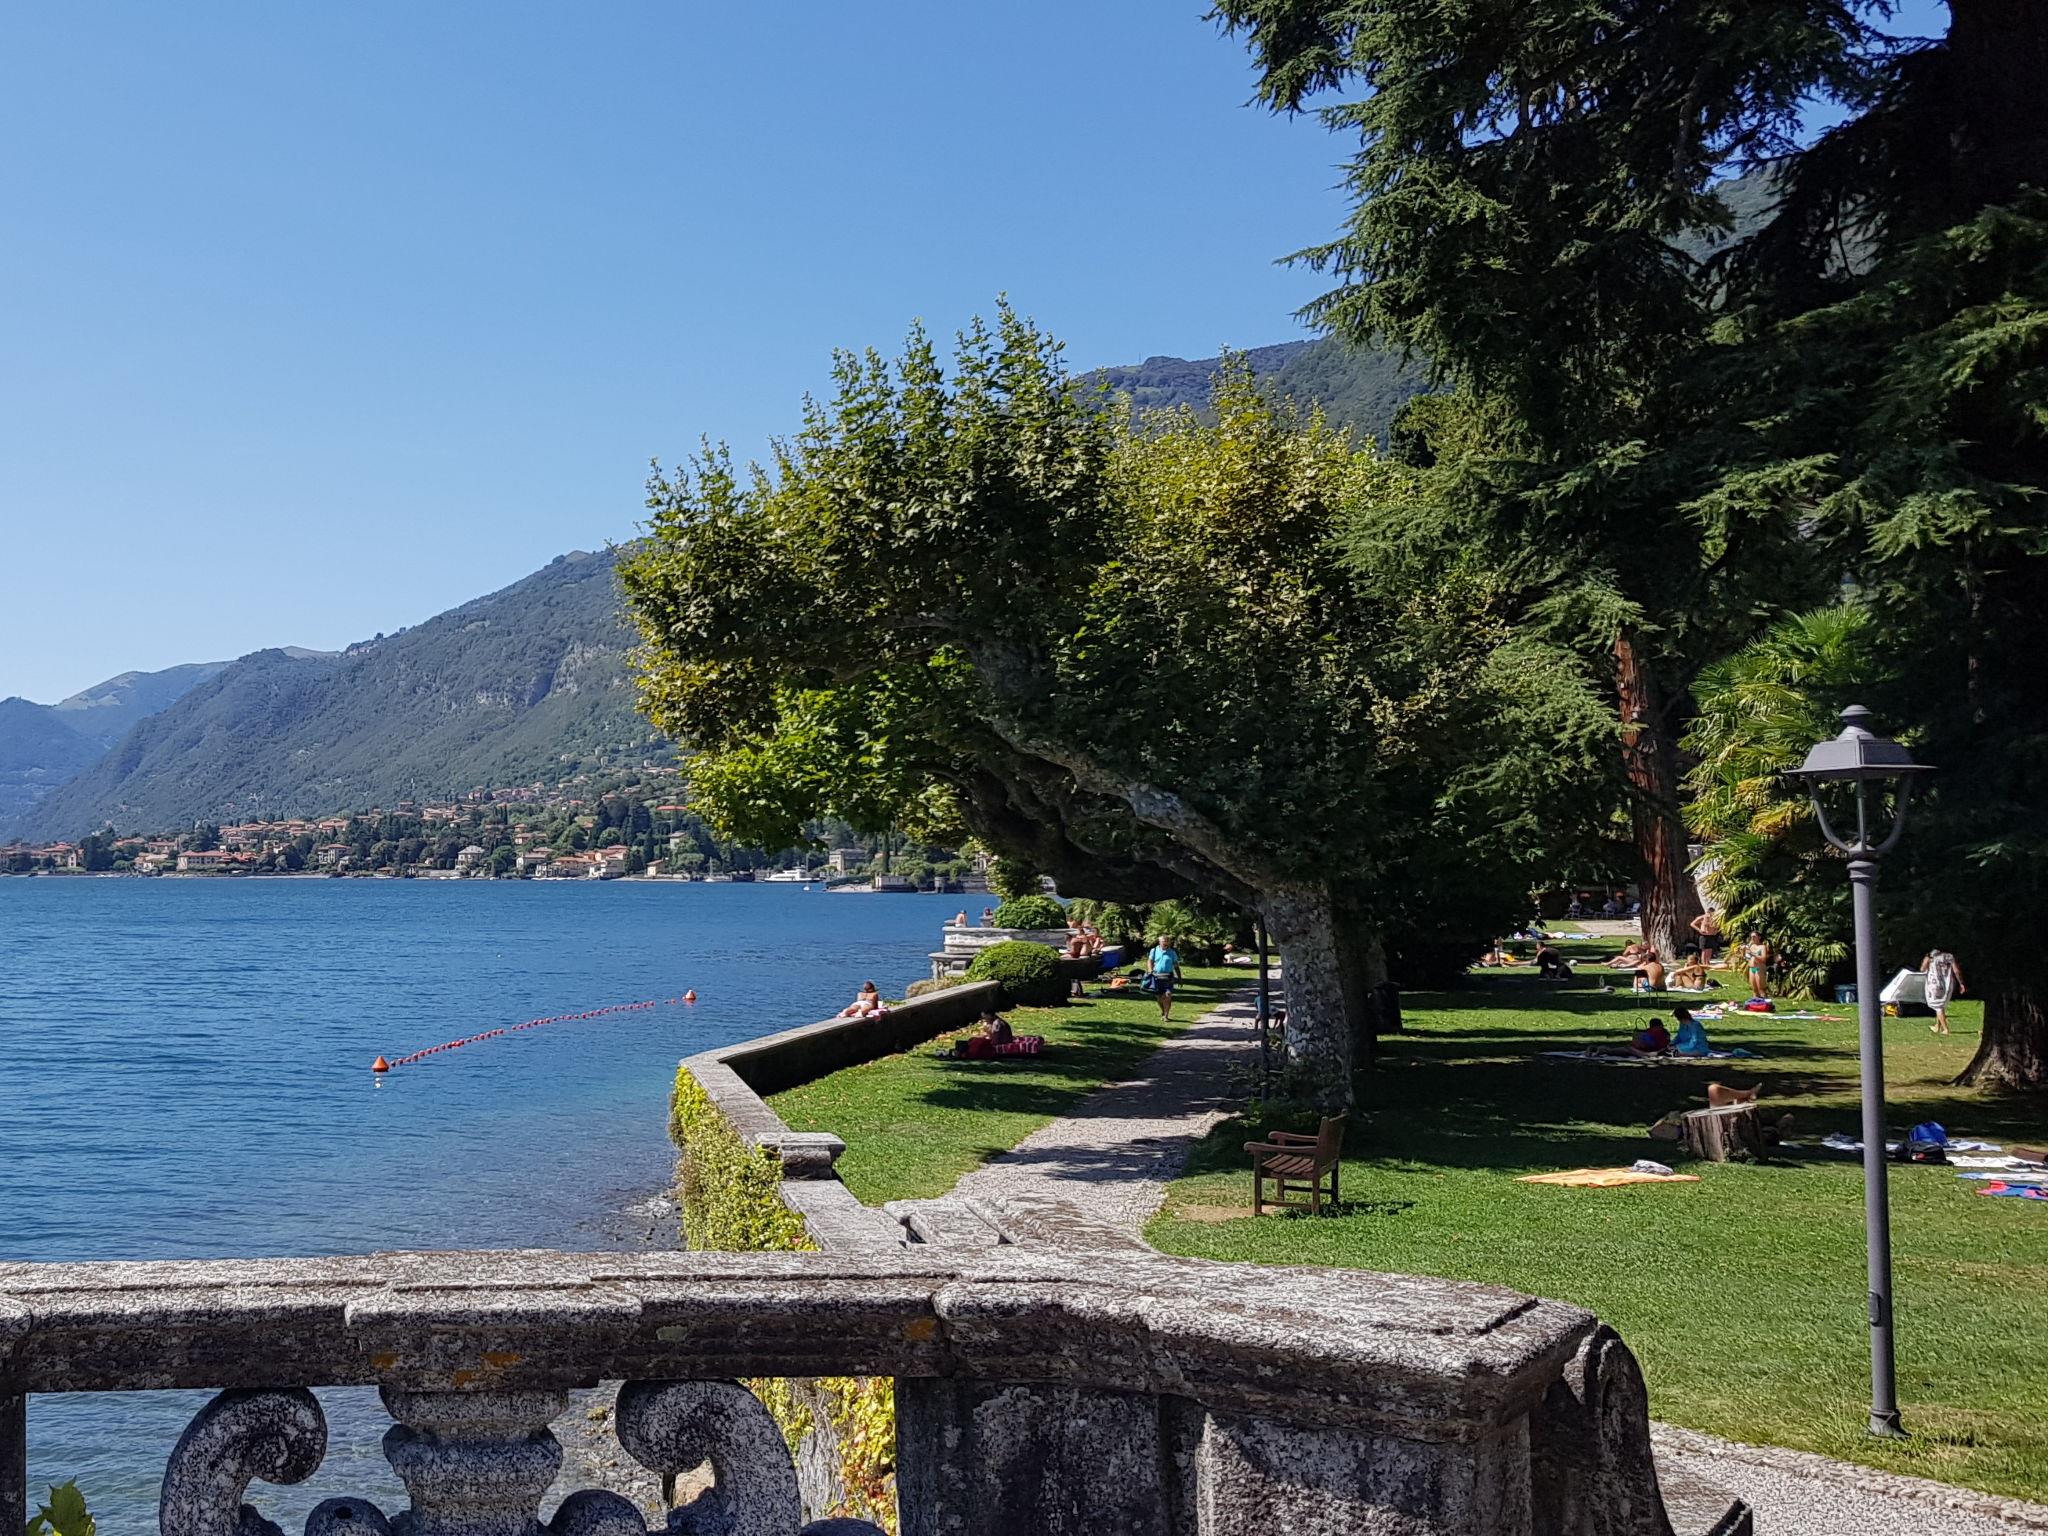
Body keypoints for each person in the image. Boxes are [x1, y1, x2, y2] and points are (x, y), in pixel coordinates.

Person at [1921, 948, 1965, 1035]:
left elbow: (1922, 969)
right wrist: (1961, 983)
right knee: (1940, 1005)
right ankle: (1937, 1026)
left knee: (1938, 1007)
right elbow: (1956, 971)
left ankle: (1945, 1029)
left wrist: (1926, 959)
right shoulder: (1949, 956)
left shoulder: (1931, 956)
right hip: (1946, 984)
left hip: (1934, 984)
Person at [1146, 933, 1183, 1020]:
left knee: (1168, 995)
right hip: (1156, 977)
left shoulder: (1172, 952)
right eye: (1163, 941)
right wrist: (1150, 971)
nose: (1165, 943)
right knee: (1159, 997)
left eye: (1167, 941)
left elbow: (1176, 966)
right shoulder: (1154, 950)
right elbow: (1150, 961)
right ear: (1159, 942)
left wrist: (1179, 978)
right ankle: (1163, 1011)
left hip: (1168, 977)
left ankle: (1166, 1015)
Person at [1741, 931, 1772, 999]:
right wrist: (1743, 951)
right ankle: (1756, 1003)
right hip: (1752, 968)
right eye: (1751, 937)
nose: (1752, 938)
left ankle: (1765, 1002)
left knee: (1761, 989)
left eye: (1754, 936)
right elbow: (1745, 958)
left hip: (1759, 968)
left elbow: (1763, 959)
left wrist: (1753, 954)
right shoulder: (1751, 946)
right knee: (1754, 989)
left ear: (1759, 937)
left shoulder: (1762, 947)